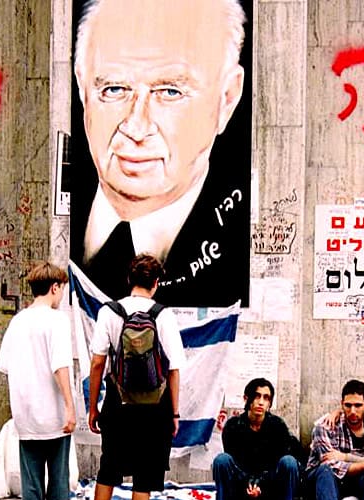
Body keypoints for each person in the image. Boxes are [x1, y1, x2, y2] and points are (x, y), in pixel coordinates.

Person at [70, 0, 250, 307]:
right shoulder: (64, 202)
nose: (136, 128)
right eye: (114, 89)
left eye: (170, 92)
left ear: (228, 98)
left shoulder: (237, 239)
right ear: (81, 85)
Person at [87, 254, 185, 500]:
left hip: (118, 403)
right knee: (145, 471)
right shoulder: (163, 316)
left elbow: (97, 364)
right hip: (155, 407)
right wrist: (174, 413)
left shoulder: (108, 311)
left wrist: (94, 407)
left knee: (109, 465)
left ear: (129, 279)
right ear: (155, 283)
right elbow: (174, 370)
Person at [0, 262, 76, 500]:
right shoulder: (57, 320)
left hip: (26, 417)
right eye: (61, 289)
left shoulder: (18, 322)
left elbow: (5, 366)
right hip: (54, 416)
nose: (61, 294)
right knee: (58, 487)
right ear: (55, 287)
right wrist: (70, 407)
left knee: (31, 488)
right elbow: (60, 365)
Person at [212, 378, 299, 500]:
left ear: (269, 403)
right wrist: (250, 484)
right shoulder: (233, 426)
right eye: (257, 396)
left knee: (289, 462)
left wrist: (261, 485)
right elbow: (235, 464)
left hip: (270, 488)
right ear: (246, 398)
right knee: (222, 460)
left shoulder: (277, 426)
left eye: (266, 398)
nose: (261, 402)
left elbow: (276, 465)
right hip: (240, 488)